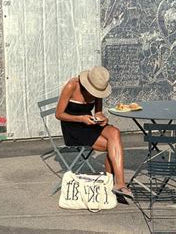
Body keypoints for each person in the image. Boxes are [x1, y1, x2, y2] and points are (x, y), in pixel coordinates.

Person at [55, 66, 133, 199]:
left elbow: (98, 111)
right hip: (73, 128)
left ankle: (119, 183)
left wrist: (101, 118)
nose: (95, 93)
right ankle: (111, 184)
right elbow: (59, 114)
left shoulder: (99, 90)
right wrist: (81, 118)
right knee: (112, 146)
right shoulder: (71, 86)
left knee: (115, 132)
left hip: (90, 123)